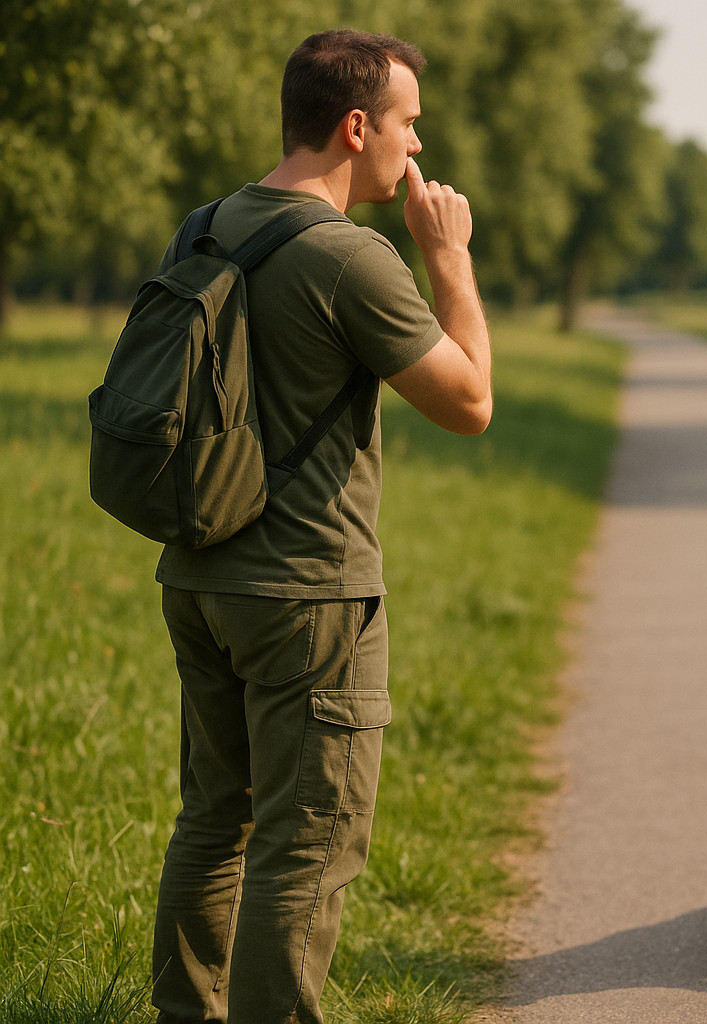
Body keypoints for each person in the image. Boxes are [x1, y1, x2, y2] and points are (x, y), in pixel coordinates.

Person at [149, 29, 491, 1024]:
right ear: (355, 126)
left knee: (214, 821)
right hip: (310, 596)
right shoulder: (353, 257)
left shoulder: (203, 228)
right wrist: (449, 258)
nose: (415, 149)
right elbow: (469, 403)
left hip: (198, 577)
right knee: (307, 845)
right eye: (407, 126)